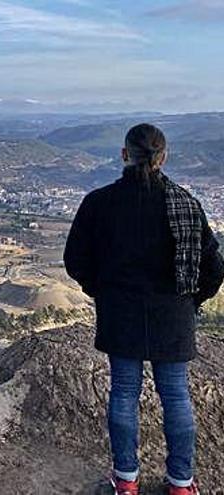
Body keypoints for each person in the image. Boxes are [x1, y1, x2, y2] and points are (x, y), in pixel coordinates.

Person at [64, 124, 224, 495]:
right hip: (173, 315)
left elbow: (75, 260)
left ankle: (126, 480)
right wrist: (192, 300)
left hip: (120, 312)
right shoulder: (186, 203)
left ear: (124, 155)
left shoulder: (99, 203)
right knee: (176, 396)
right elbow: (214, 267)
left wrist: (98, 290)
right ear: (163, 157)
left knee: (123, 393)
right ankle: (182, 483)